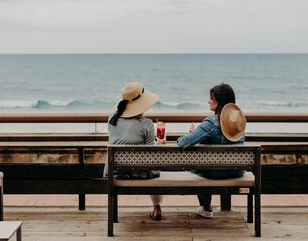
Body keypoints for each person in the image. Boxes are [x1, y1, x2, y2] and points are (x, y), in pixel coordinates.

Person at [177, 83, 246, 218]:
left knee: (198, 166)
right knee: (207, 162)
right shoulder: (239, 122)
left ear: (219, 101)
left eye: (211, 98)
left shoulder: (212, 123)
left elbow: (185, 143)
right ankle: (206, 207)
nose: (208, 101)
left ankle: (206, 207)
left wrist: (190, 133)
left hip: (216, 172)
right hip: (237, 171)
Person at [103, 81, 163, 221]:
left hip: (116, 172)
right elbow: (149, 154)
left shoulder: (112, 119)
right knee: (154, 168)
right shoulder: (146, 123)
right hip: (139, 173)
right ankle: (157, 208)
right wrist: (160, 143)